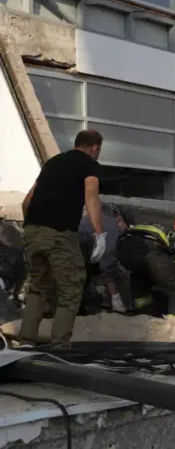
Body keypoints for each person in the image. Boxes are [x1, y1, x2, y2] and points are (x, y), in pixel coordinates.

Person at [19, 129, 106, 345]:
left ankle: (26, 342)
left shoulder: (53, 162)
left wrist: (33, 228)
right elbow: (91, 199)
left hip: (32, 231)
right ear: (94, 148)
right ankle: (60, 344)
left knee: (39, 287)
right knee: (71, 288)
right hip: (60, 234)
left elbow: (27, 201)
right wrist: (100, 233)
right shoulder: (89, 165)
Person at [116, 222, 175, 320]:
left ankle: (145, 317)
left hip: (124, 247)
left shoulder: (153, 227)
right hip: (150, 248)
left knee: (140, 278)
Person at [79, 203, 132, 313]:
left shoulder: (84, 221)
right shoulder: (113, 224)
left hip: (86, 263)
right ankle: (114, 301)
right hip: (105, 264)